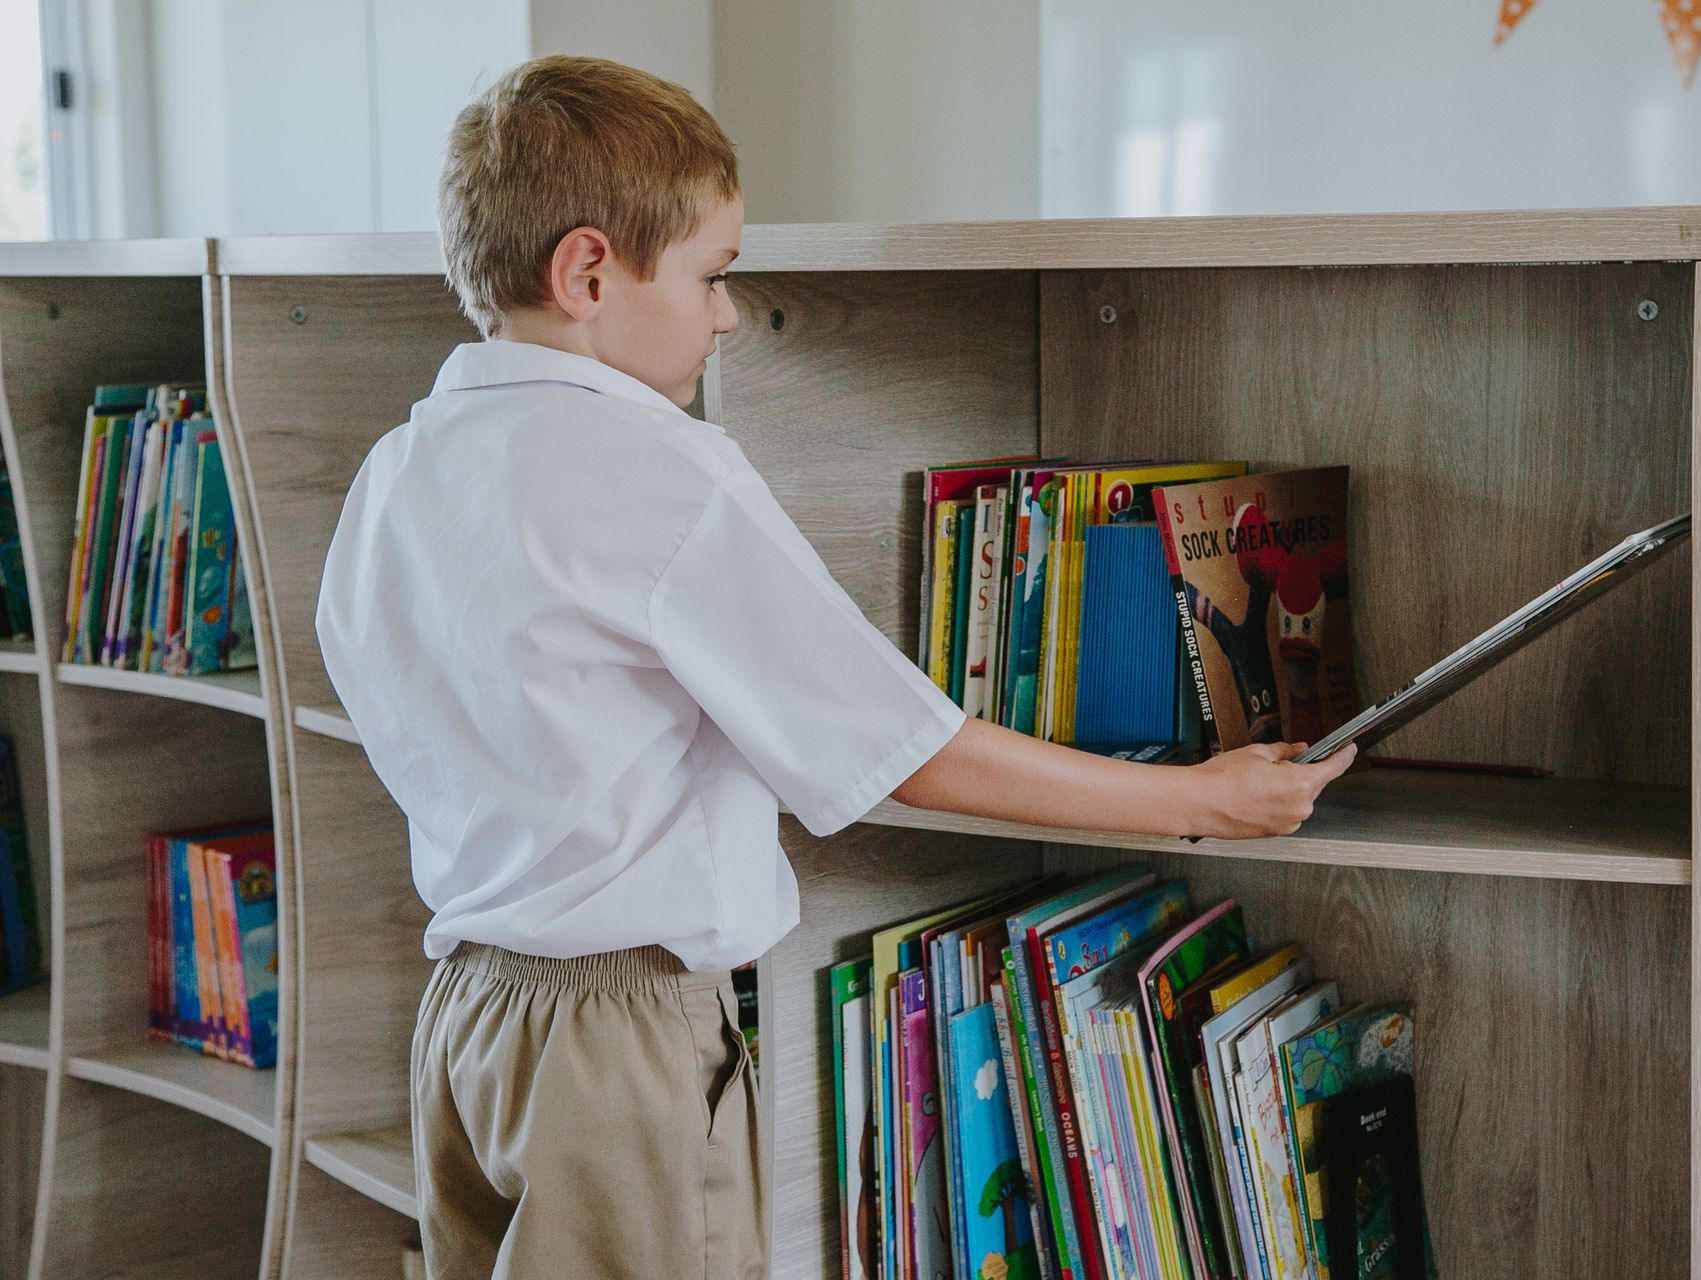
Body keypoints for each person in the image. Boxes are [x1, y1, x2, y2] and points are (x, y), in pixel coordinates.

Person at [315, 54, 1356, 1280]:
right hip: (621, 1044)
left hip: (469, 1014)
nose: (727, 316)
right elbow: (903, 747)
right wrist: (1199, 799)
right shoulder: (661, 473)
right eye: (711, 274)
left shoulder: (398, 469)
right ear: (588, 269)